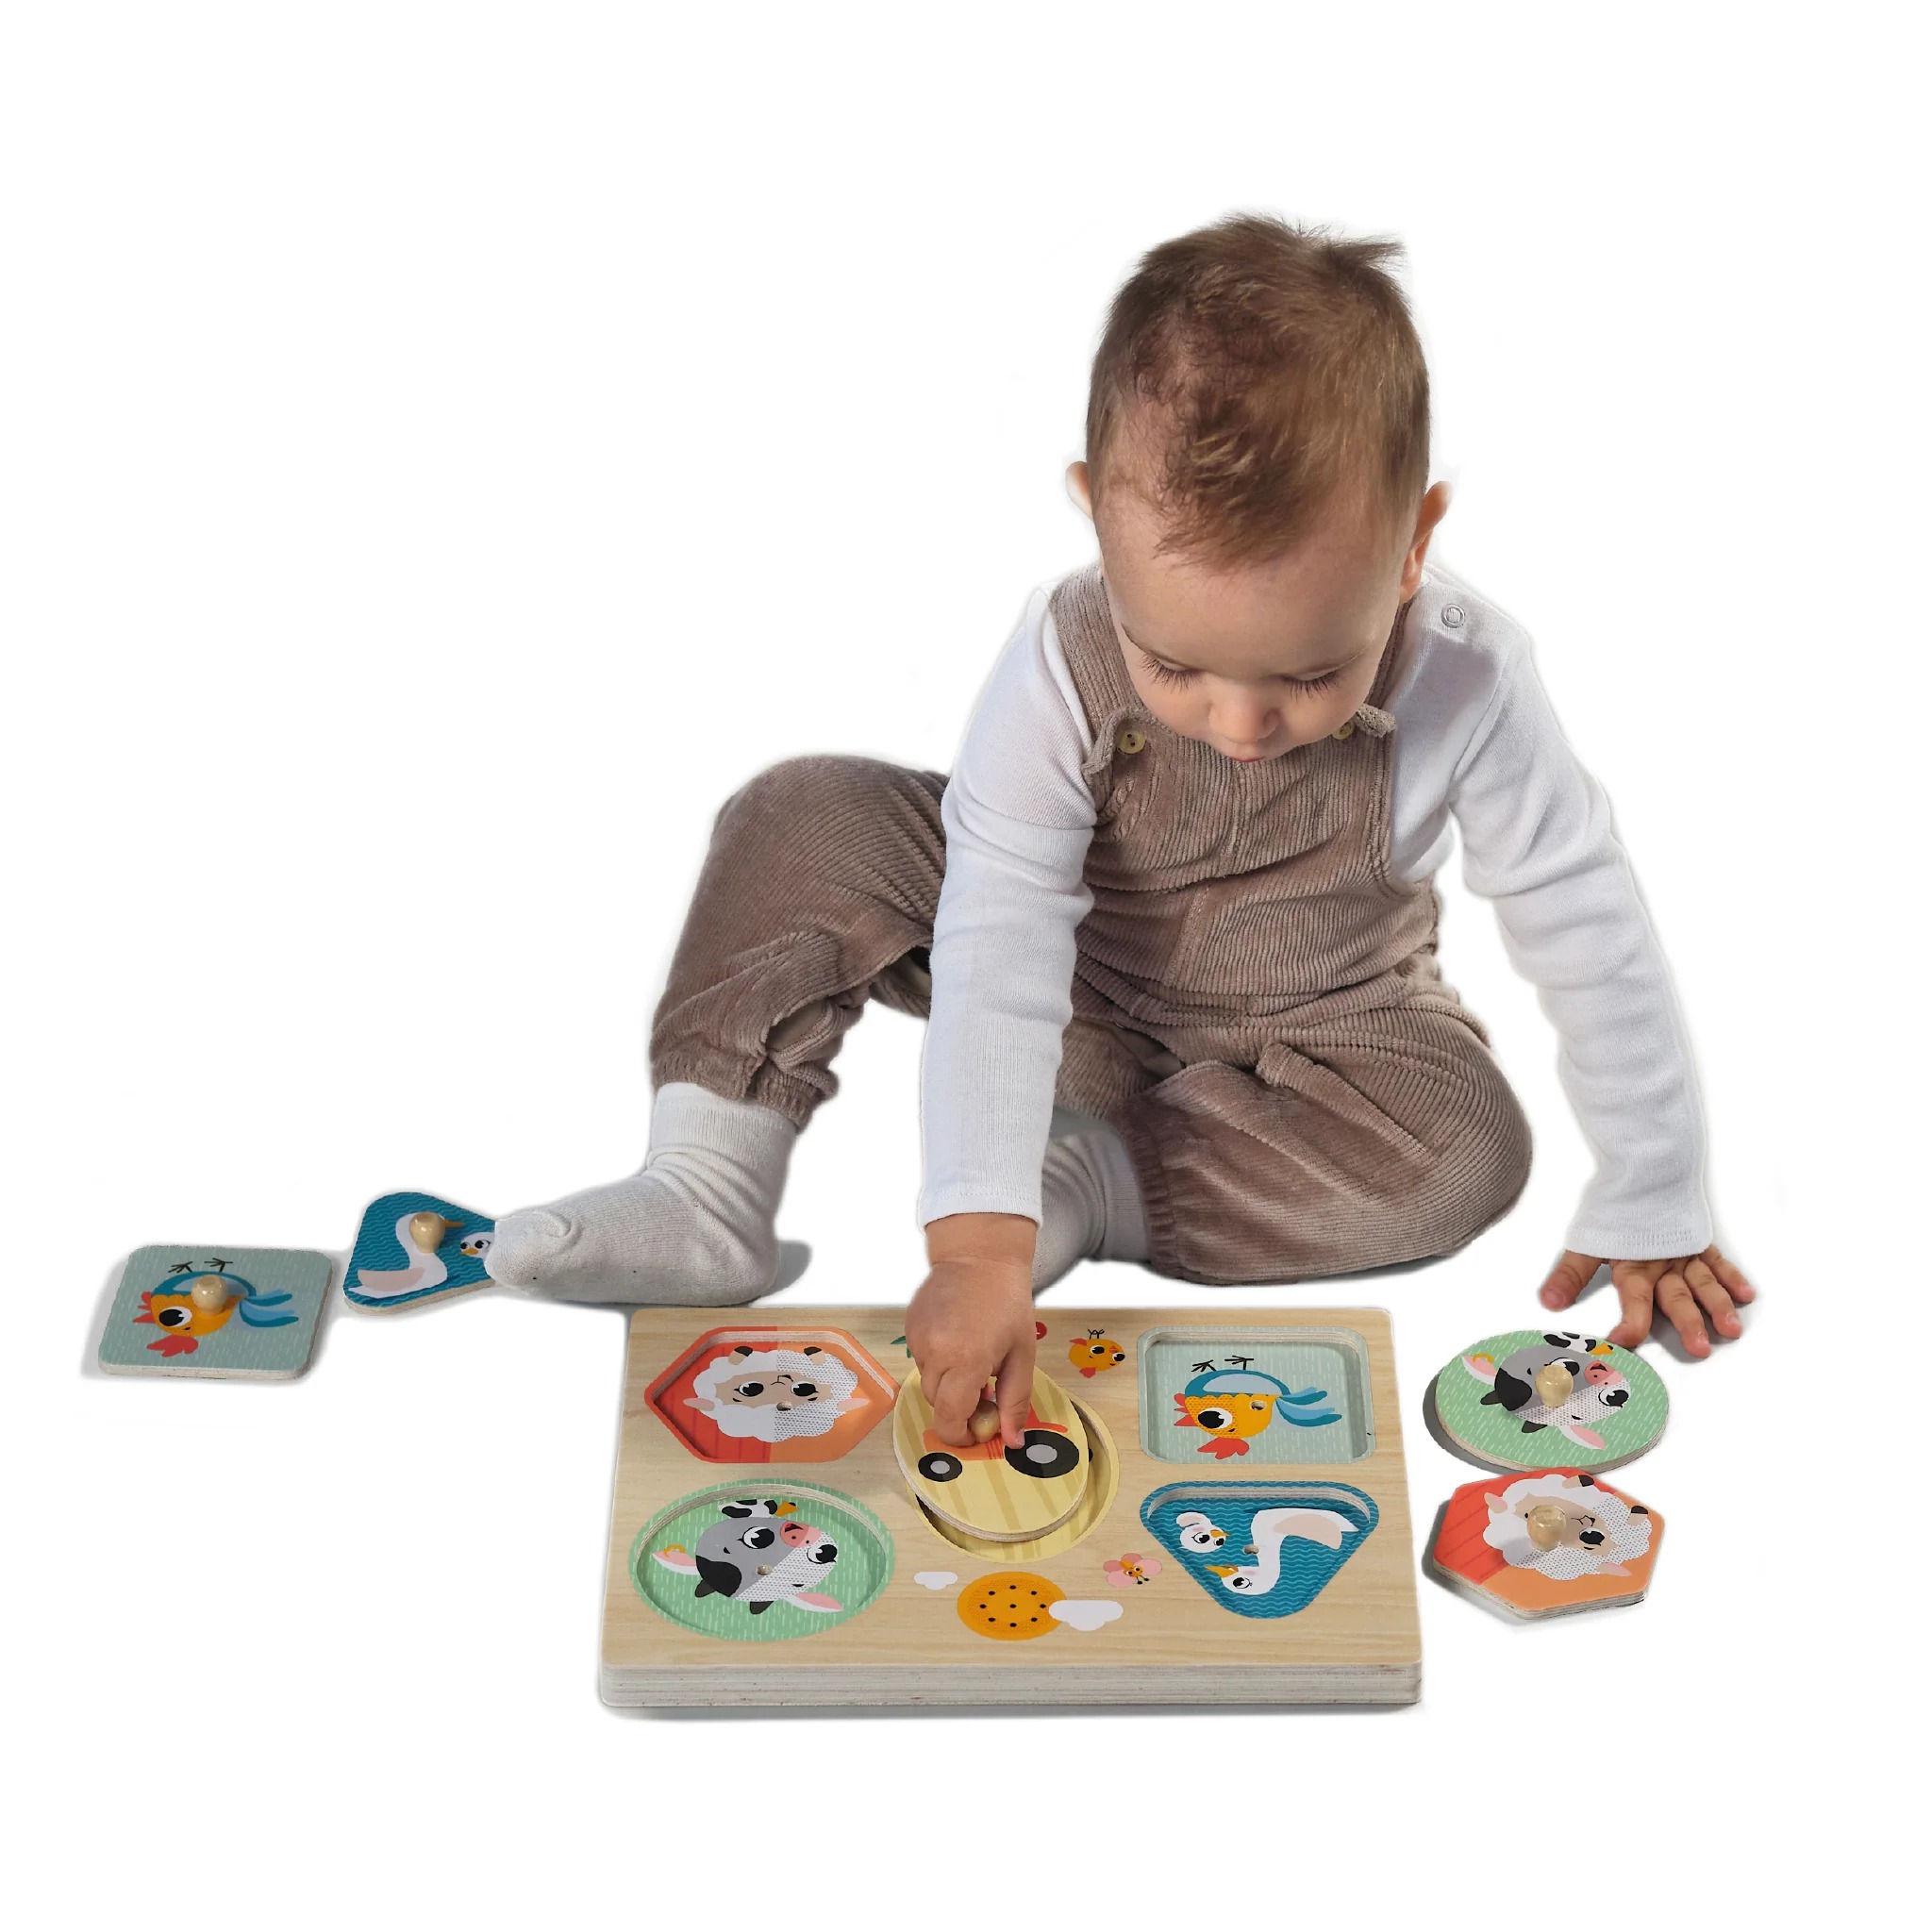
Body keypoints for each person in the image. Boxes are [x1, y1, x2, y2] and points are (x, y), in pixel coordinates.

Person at [485, 211, 1754, 1446]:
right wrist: (975, 1247)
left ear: (1413, 545)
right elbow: (1001, 925)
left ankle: (1102, 1182)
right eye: (1177, 667)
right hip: (1076, 980)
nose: (1242, 724)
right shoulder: (1061, 654)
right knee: (805, 813)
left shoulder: (1473, 678)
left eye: (1314, 674)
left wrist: (1653, 1189)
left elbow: (1586, 923)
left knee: (1467, 1154)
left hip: (1321, 1023)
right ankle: (709, 1186)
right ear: (1098, 517)